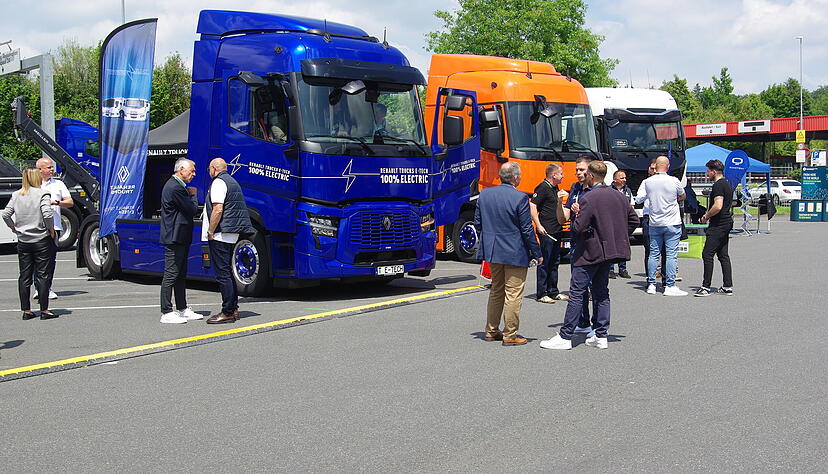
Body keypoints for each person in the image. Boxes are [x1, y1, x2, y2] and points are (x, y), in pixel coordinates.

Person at [540, 161, 639, 350]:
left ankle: (565, 335)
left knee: (577, 291)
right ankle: (601, 334)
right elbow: (633, 219)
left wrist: (578, 212)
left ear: (591, 176)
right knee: (602, 292)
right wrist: (617, 235)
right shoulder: (619, 196)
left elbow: (578, 227)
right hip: (608, 251)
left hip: (589, 250)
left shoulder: (589, 198)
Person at [474, 162, 542, 346]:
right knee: (513, 293)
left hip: (493, 250)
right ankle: (510, 334)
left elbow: (478, 224)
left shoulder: (485, 194)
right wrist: (536, 252)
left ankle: (491, 330)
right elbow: (527, 229)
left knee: (496, 290)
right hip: (514, 251)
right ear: (516, 178)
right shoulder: (520, 198)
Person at [203, 157, 255, 324]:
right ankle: (234, 308)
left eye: (209, 169)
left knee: (222, 274)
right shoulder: (232, 181)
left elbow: (218, 209)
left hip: (221, 233)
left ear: (213, 168)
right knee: (228, 272)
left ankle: (227, 312)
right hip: (231, 232)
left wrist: (210, 231)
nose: (208, 172)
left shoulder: (219, 182)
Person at [2, 168, 57, 320]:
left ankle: (26, 310)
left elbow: (6, 213)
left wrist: (13, 227)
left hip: (23, 240)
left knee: (24, 276)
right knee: (43, 275)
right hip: (40, 239)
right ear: (36, 178)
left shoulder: (16, 194)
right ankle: (44, 310)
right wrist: (50, 229)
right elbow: (47, 213)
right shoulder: (42, 194)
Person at [635, 155, 687, 296]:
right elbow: (682, 195)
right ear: (668, 166)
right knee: (670, 255)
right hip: (671, 221)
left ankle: (651, 283)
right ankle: (669, 285)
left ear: (655, 166)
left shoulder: (648, 182)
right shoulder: (674, 181)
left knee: (653, 254)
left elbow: (639, 199)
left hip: (654, 221)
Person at [555, 155, 594, 334]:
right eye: (577, 170)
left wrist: (582, 210)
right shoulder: (575, 188)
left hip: (593, 244)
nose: (578, 173)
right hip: (576, 243)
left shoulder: (596, 190)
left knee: (597, 288)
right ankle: (583, 322)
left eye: (582, 170)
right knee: (578, 287)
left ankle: (599, 328)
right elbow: (564, 217)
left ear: (590, 171)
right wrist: (560, 202)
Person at [159, 158, 200, 324]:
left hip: (180, 235)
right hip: (174, 236)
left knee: (180, 274)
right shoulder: (175, 187)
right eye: (191, 171)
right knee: (171, 273)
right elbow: (191, 209)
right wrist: (194, 196)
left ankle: (182, 308)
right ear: (181, 169)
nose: (193, 174)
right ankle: (166, 311)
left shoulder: (177, 186)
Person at [530, 163, 569, 303]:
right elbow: (533, 206)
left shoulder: (555, 188)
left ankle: (553, 291)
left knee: (555, 262)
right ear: (554, 175)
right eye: (561, 173)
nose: (563, 176)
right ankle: (541, 293)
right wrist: (538, 225)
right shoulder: (543, 187)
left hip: (556, 230)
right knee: (545, 262)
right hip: (546, 231)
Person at [696, 159, 734, 297]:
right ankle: (727, 286)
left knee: (707, 254)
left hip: (718, 224)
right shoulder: (727, 184)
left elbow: (718, 205)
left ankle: (705, 287)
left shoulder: (718, 185)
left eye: (708, 171)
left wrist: (706, 216)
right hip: (727, 222)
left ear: (714, 171)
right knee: (723, 255)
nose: (707, 174)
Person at [36, 157, 72, 300]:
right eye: (49, 167)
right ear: (40, 170)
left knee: (50, 259)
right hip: (36, 227)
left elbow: (69, 202)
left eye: (52, 167)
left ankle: (47, 287)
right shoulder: (33, 184)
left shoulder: (58, 184)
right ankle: (39, 287)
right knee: (36, 260)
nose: (52, 170)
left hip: (54, 226)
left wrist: (56, 202)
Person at [609, 169, 634, 279]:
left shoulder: (627, 190)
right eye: (622, 178)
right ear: (615, 179)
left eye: (625, 177)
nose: (624, 180)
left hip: (624, 223)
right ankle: (610, 269)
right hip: (611, 223)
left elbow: (631, 205)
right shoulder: (609, 190)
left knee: (623, 246)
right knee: (611, 246)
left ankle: (622, 269)